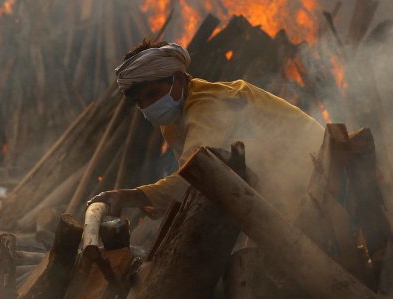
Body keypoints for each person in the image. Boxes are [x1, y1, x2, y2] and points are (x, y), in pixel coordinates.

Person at [88, 39, 324, 219]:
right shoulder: (173, 120)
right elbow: (192, 184)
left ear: (179, 79)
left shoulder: (209, 104)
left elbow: (196, 175)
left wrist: (131, 196)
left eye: (152, 95)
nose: (149, 107)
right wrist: (163, 203)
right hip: (283, 191)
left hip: (320, 175)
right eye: (141, 103)